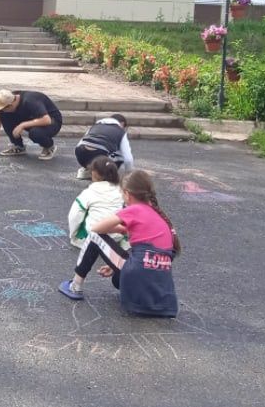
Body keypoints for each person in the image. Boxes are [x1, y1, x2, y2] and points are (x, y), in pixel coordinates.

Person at [58, 170, 181, 318]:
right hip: (162, 301)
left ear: (127, 194)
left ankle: (75, 286)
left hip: (137, 272)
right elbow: (149, 254)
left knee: (94, 237)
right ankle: (138, 293)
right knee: (118, 279)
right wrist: (115, 263)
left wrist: (121, 229)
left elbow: (96, 228)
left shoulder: (133, 210)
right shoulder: (159, 216)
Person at [61, 156, 127, 297]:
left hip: (96, 236)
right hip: (117, 236)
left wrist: (74, 235)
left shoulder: (89, 192)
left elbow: (75, 215)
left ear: (94, 174)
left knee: (93, 232)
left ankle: (76, 285)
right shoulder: (121, 191)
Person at [0, 89, 63, 160]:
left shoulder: (30, 101)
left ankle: (49, 147)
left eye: (3, 108)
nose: (2, 111)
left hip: (52, 121)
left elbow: (47, 120)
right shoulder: (9, 99)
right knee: (4, 115)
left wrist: (22, 125)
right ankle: (18, 146)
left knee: (35, 133)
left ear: (11, 105)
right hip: (31, 118)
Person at [75, 114, 134, 180]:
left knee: (94, 147)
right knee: (120, 157)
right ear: (122, 124)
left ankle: (88, 170)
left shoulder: (95, 126)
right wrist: (129, 173)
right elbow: (128, 159)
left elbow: (80, 143)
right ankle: (108, 176)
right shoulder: (121, 131)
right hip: (100, 155)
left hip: (80, 155)